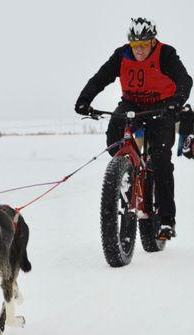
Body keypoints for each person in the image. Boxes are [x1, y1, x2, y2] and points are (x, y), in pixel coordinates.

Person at [75, 17, 192, 240]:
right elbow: (100, 78)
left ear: (153, 41)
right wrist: (84, 99)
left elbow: (184, 79)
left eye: (144, 45)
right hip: (132, 105)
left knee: (161, 161)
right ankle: (128, 170)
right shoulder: (122, 55)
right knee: (114, 140)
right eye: (135, 45)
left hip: (163, 107)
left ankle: (166, 220)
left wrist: (177, 101)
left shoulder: (166, 54)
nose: (139, 50)